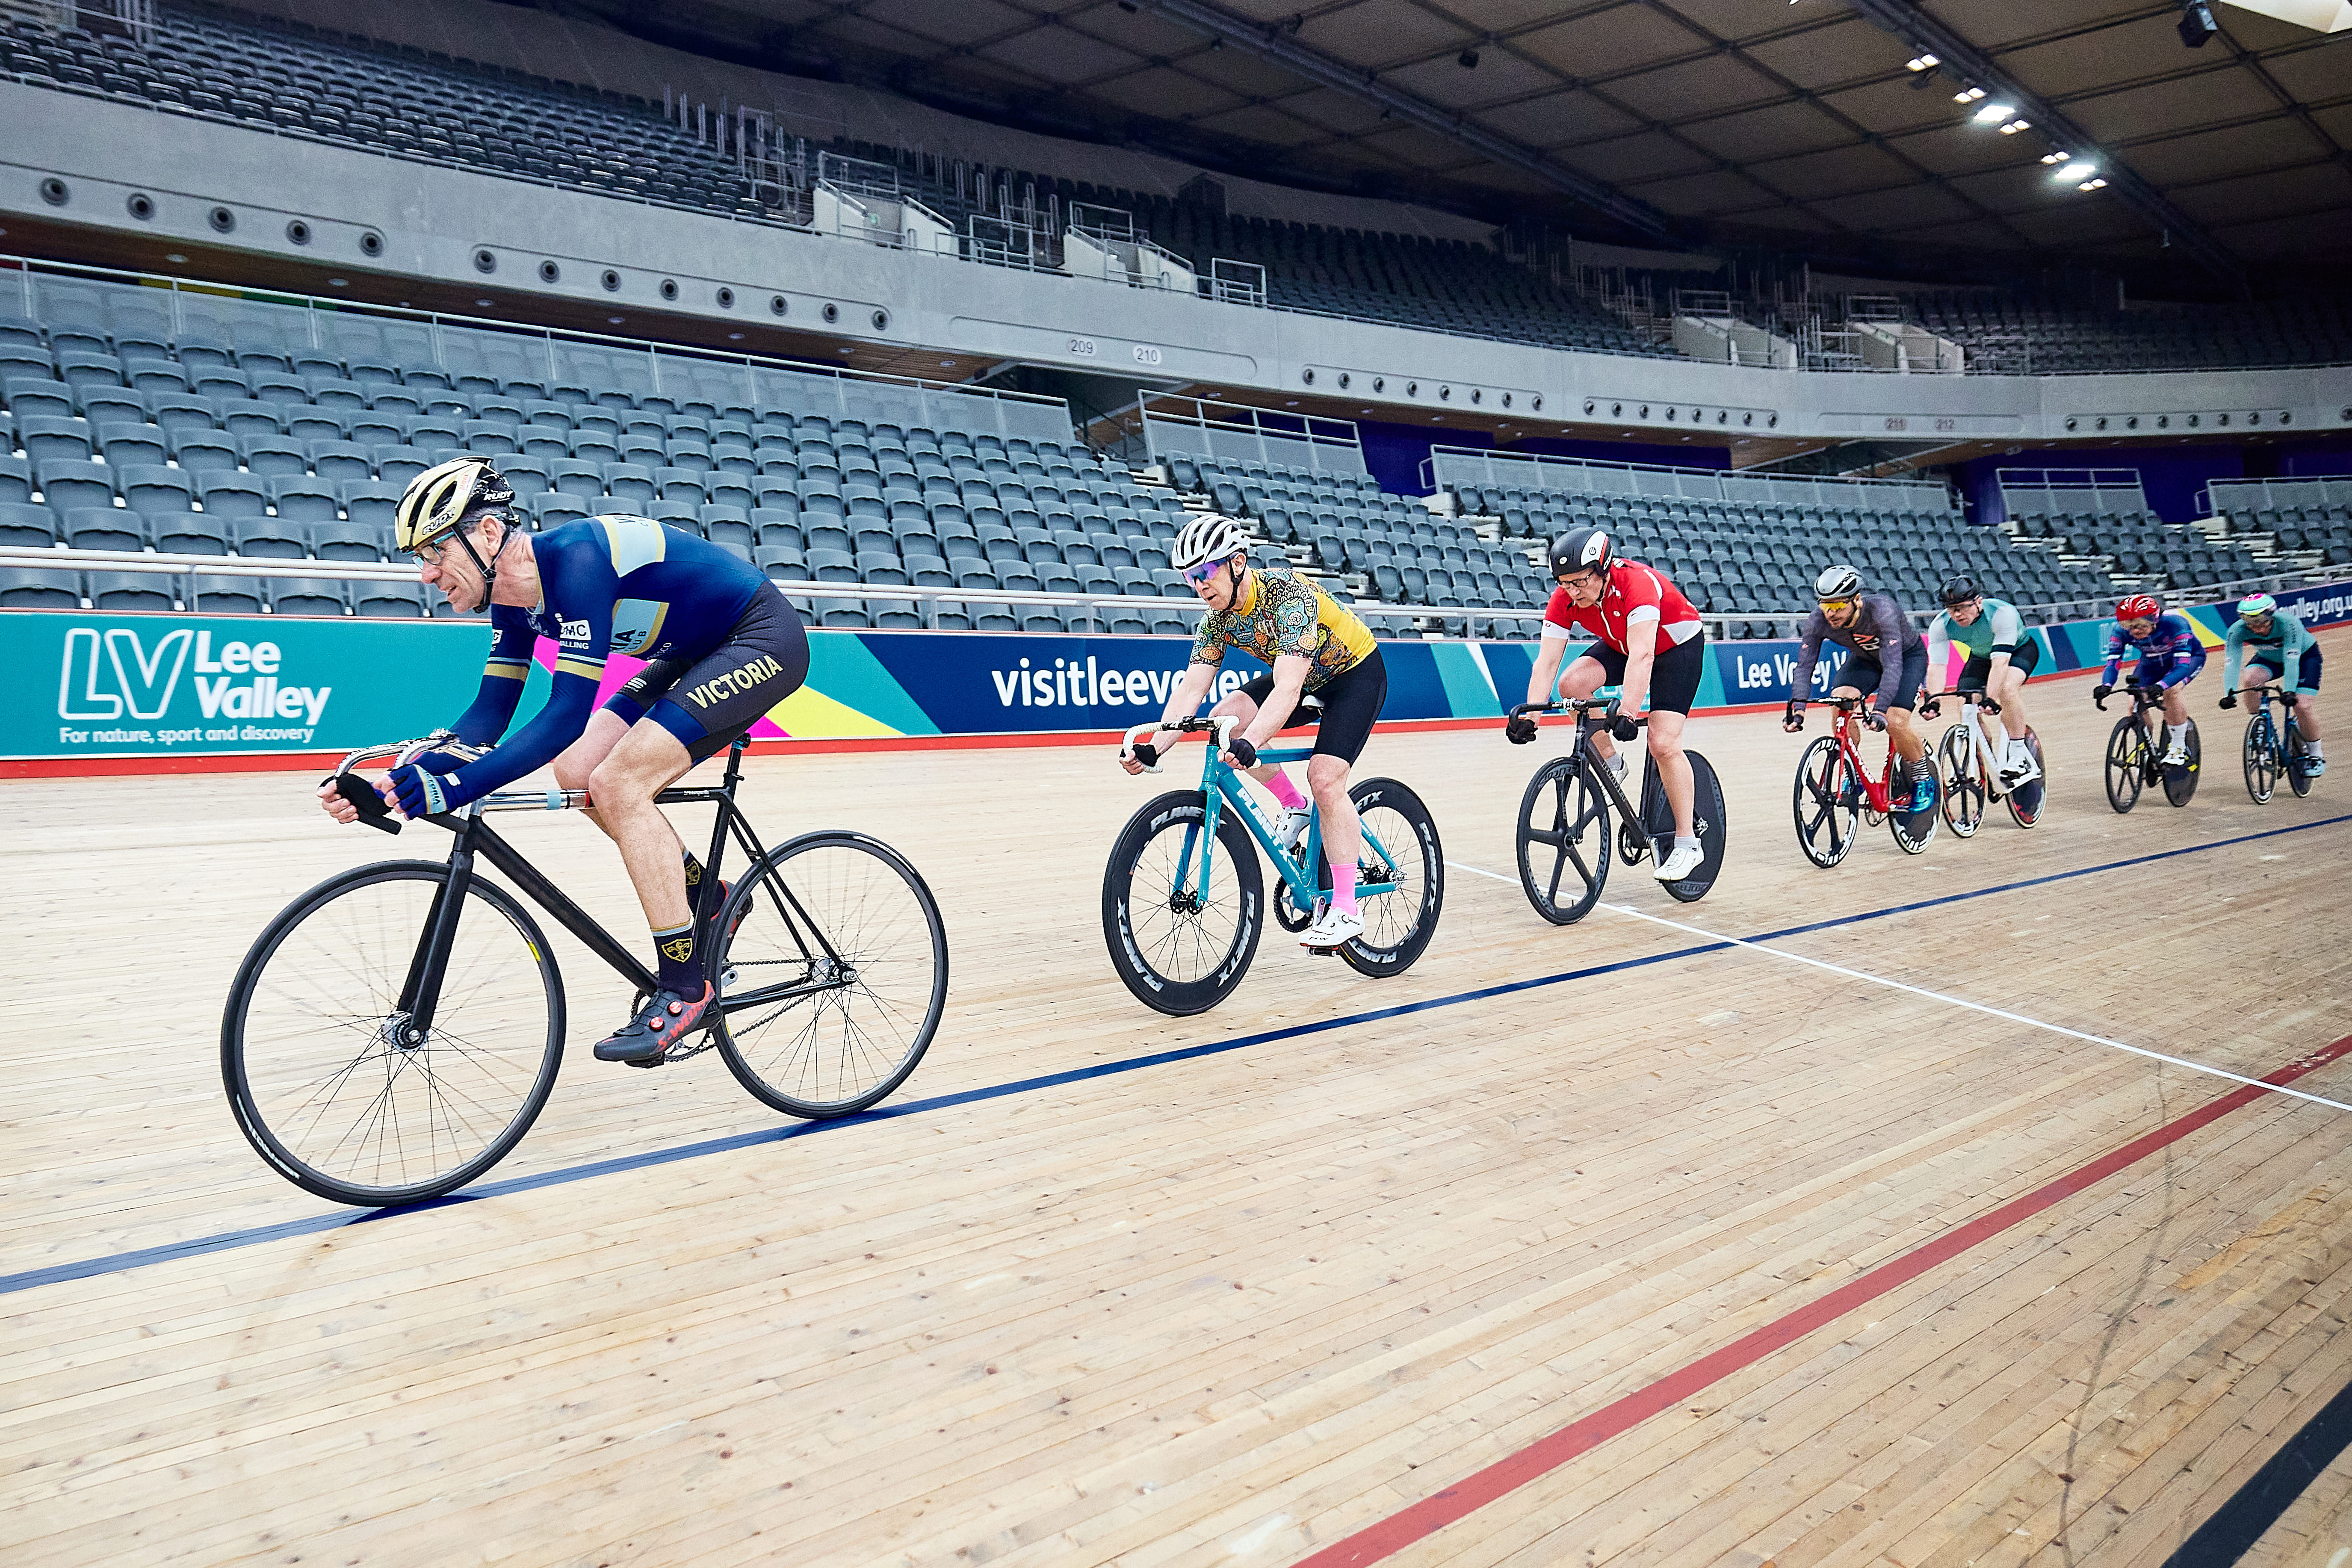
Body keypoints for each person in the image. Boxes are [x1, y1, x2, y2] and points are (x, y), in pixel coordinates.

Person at [317, 457, 811, 1065]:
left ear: (490, 535)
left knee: (620, 781)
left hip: (760, 639)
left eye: (435, 551)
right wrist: (399, 780)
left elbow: (566, 712)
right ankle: (705, 892)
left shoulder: (577, 560)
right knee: (578, 773)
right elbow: (487, 719)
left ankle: (686, 987)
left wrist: (453, 790)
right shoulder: (511, 601)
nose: (426, 574)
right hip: (695, 652)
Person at [1122, 514, 1387, 950]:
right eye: (1190, 576)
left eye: (1205, 572)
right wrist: (1155, 749)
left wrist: (1254, 743)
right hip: (1306, 677)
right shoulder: (1216, 619)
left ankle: (1345, 907)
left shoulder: (1288, 596)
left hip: (1355, 675)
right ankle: (1292, 804)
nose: (1198, 585)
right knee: (1228, 716)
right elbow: (1192, 690)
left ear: (1238, 563)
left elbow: (1288, 687)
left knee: (1324, 777)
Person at [1506, 525, 1708, 881]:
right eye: (1564, 583)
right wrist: (1532, 714)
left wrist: (1628, 711)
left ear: (1603, 569)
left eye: (1580, 581)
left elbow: (1644, 655)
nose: (1571, 591)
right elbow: (1548, 662)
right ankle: (1611, 762)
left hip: (1676, 649)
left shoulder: (1636, 585)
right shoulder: (1565, 597)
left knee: (1662, 742)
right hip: (1625, 646)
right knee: (1573, 683)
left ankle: (1688, 844)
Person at [1783, 565, 1935, 813]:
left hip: (1906, 658)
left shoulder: (1883, 612)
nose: (1831, 614)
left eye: (1838, 606)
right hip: (1865, 659)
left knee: (1896, 721)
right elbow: (1804, 666)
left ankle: (1922, 778)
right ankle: (1851, 773)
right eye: (1826, 605)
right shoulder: (1818, 620)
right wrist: (1798, 710)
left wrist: (1881, 710)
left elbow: (1893, 666)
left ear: (1857, 601)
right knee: (1840, 701)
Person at [1922, 576, 2042, 788]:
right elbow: (1937, 667)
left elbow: (2000, 663)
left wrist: (1992, 698)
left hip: (2018, 652)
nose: (1957, 614)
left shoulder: (2001, 614)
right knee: (1965, 702)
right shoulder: (1941, 625)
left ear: (1978, 602)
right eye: (1951, 609)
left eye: (1962, 607)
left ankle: (2018, 756)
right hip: (1981, 657)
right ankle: (1984, 758)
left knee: (2007, 690)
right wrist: (1933, 700)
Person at [2094, 593, 2205, 766]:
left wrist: (2161, 686)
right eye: (2129, 627)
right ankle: (2147, 748)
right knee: (2134, 703)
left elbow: (2181, 667)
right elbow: (2113, 662)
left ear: (2154, 619)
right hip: (2151, 664)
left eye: (2140, 626)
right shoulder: (2119, 631)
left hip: (2190, 660)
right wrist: (2106, 685)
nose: (2135, 631)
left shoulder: (2176, 624)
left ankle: (2178, 747)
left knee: (2171, 691)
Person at [2220, 591, 2324, 776]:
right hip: (2269, 659)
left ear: (2271, 615)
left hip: (2304, 658)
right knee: (2250, 681)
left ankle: (2316, 755)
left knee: (2302, 706)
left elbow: (2292, 660)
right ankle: (2260, 726)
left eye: (2261, 622)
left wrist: (2290, 691)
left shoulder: (2288, 623)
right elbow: (2232, 662)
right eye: (2250, 622)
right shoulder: (2237, 630)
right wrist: (2230, 693)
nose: (2256, 628)